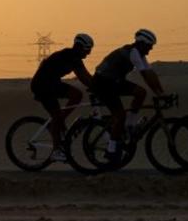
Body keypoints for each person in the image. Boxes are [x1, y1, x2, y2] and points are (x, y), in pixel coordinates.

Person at [91, 29, 165, 162]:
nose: (150, 49)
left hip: (114, 81)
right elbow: (145, 76)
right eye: (149, 46)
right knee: (120, 115)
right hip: (103, 83)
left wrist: (162, 93)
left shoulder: (140, 54)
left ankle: (129, 125)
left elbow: (151, 74)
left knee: (141, 93)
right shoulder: (133, 53)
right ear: (141, 43)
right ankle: (111, 149)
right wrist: (159, 94)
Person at [31, 33, 94, 162]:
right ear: (79, 47)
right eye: (87, 50)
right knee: (57, 117)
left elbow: (88, 78)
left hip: (52, 83)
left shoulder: (75, 57)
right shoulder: (71, 56)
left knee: (77, 95)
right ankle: (56, 151)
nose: (89, 53)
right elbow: (85, 79)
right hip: (42, 85)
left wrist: (99, 86)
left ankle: (60, 121)